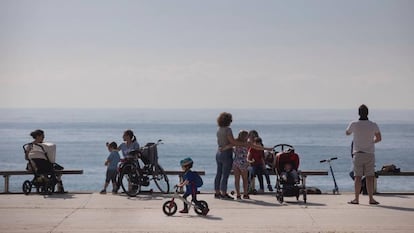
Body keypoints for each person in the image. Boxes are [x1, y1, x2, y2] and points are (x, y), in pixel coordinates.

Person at [346, 104, 381, 205]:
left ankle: (356, 199)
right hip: (369, 153)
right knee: (370, 177)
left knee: (357, 177)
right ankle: (371, 199)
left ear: (358, 113)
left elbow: (347, 132)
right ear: (368, 113)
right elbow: (379, 138)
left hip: (358, 153)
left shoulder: (354, 124)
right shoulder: (373, 124)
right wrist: (371, 142)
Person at [231, 130, 250, 200]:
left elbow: (231, 147)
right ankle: (245, 194)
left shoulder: (235, 143)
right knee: (245, 179)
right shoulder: (247, 143)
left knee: (237, 179)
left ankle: (238, 194)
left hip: (236, 161)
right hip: (243, 162)